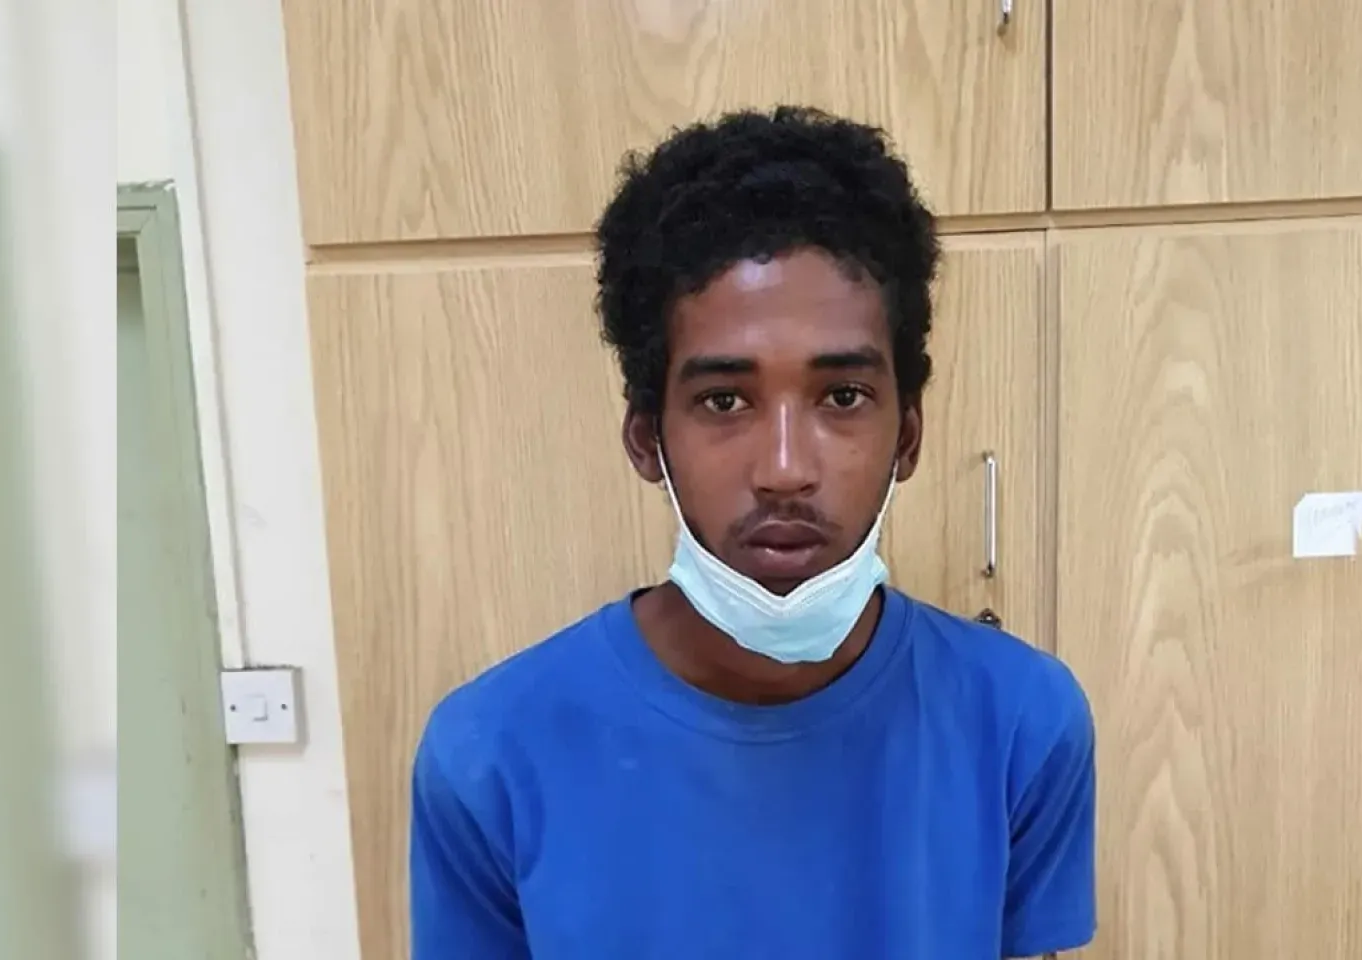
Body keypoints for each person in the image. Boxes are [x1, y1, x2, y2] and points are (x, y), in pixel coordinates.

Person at [409, 105, 1097, 959]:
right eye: (724, 400)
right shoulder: (488, 756)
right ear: (645, 439)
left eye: (841, 397)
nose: (784, 468)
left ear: (908, 436)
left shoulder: (1022, 722)